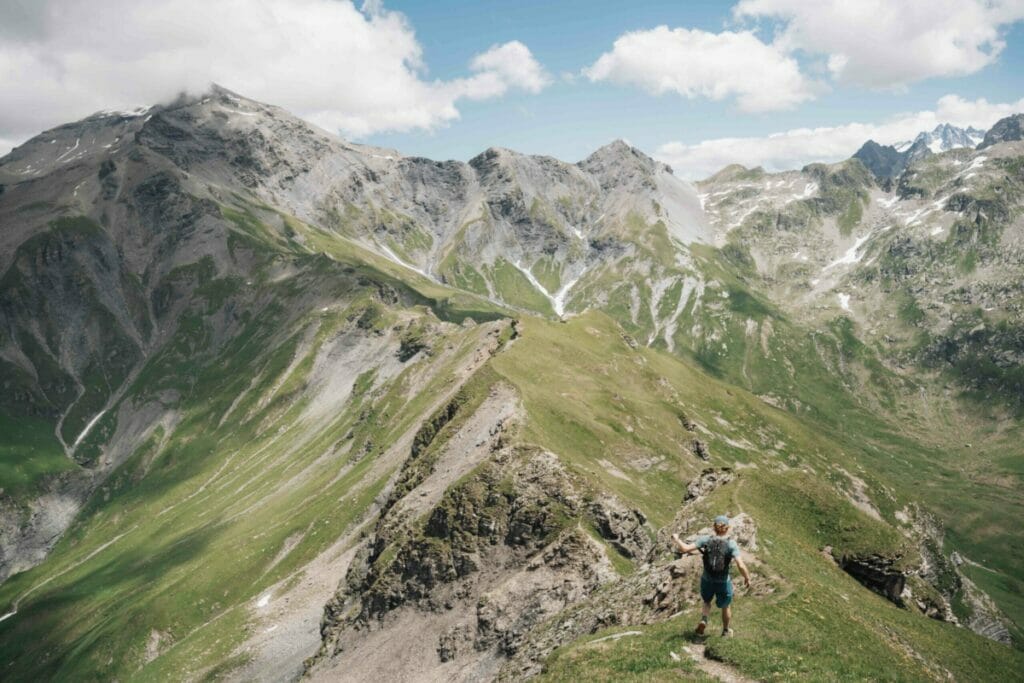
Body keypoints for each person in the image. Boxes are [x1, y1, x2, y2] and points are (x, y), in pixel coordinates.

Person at [672, 514, 751, 637]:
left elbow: (685, 549)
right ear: (727, 528)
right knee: (726, 606)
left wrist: (677, 539)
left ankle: (704, 619)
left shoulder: (706, 540)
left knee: (707, 601)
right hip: (723, 581)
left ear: (714, 527)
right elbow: (740, 565)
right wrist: (746, 577)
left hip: (707, 579)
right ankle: (725, 631)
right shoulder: (731, 544)